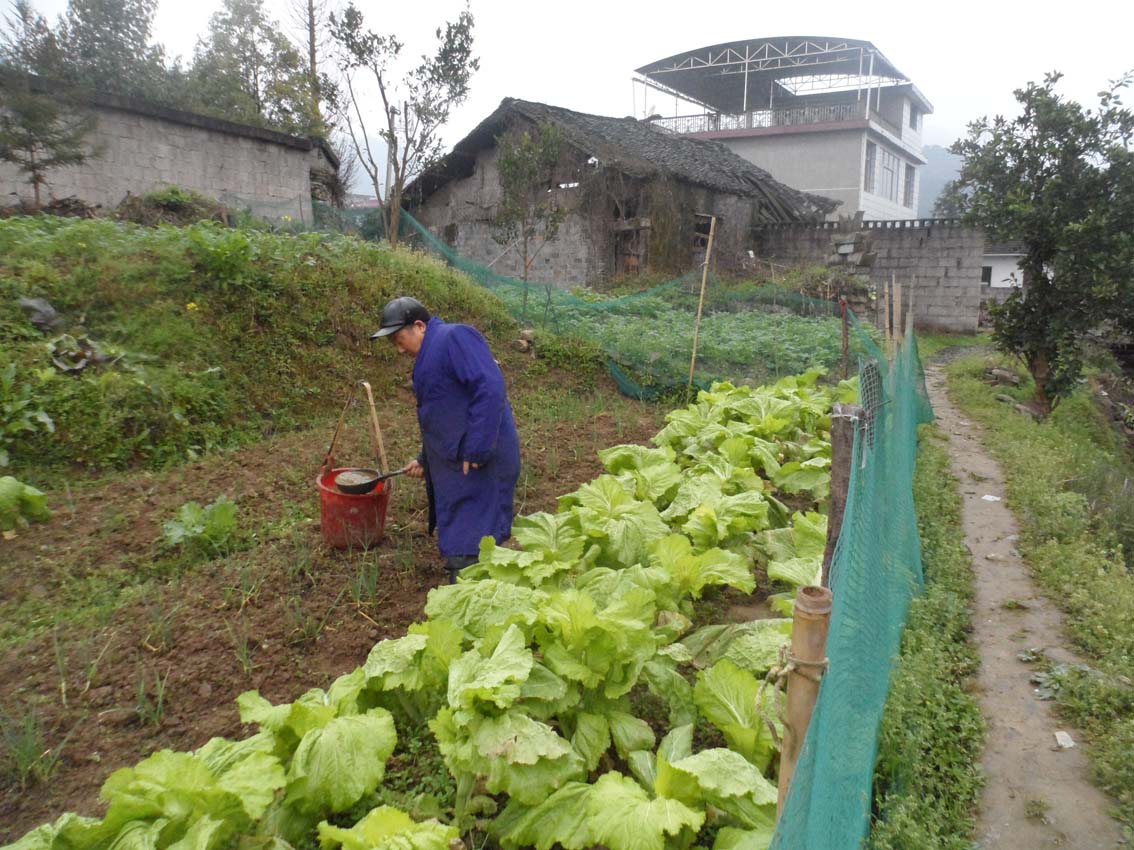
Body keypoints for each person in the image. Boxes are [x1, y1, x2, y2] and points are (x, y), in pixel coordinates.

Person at [371, 296, 521, 583]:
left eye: (400, 339)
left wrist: (477, 448)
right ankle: (468, 590)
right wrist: (424, 459)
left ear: (419, 326)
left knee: (474, 538)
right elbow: (445, 416)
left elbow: (489, 388)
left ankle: (473, 602)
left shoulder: (455, 337)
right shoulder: (430, 353)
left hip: (481, 460)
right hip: (459, 461)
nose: (400, 349)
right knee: (465, 532)